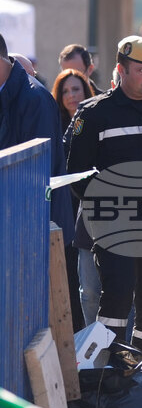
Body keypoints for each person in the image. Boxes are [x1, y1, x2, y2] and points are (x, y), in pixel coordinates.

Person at [65, 36, 142, 369]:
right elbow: (79, 176)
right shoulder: (95, 114)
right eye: (141, 70)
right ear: (121, 70)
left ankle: (138, 373)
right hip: (115, 228)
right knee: (116, 299)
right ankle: (110, 372)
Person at [0, 34, 76, 327]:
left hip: (35, 226)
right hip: (15, 225)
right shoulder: (11, 93)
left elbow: (35, 172)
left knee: (33, 319)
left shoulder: (33, 98)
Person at [52, 69, 95, 330]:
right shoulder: (55, 127)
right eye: (65, 91)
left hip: (89, 208)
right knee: (71, 280)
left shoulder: (95, 117)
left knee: (92, 286)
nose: (71, 95)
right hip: (64, 209)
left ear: (86, 90)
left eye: (76, 89)